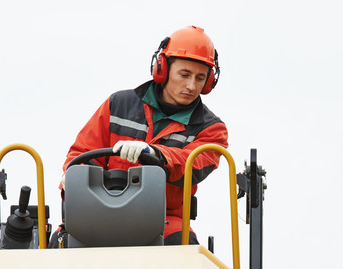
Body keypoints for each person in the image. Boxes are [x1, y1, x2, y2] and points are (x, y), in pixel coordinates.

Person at [62, 25, 228, 245]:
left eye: (200, 78)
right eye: (184, 74)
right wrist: (74, 178)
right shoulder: (117, 104)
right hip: (100, 209)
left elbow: (192, 166)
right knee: (59, 242)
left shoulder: (211, 129)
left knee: (184, 249)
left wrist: (156, 154)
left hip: (165, 220)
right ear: (163, 69)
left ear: (209, 82)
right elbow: (83, 153)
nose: (191, 85)